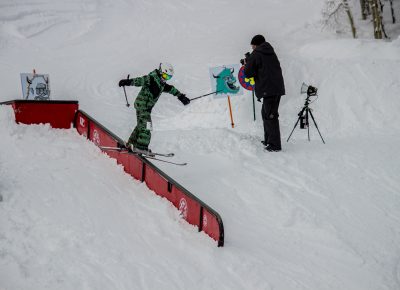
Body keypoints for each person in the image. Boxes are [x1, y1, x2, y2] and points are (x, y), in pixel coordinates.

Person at [118, 63, 190, 151]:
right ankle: (141, 147)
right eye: (164, 75)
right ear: (160, 72)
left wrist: (181, 96)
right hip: (143, 107)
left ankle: (132, 144)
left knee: (141, 126)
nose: (165, 78)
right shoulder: (151, 78)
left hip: (144, 108)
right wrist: (128, 82)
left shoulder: (161, 84)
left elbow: (171, 89)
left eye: (168, 77)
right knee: (147, 127)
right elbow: (140, 80)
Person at [244, 34, 285, 152]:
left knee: (270, 116)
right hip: (275, 89)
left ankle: (275, 145)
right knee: (266, 114)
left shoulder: (257, 53)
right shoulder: (270, 52)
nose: (252, 49)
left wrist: (247, 62)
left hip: (269, 90)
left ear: (256, 45)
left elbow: (248, 73)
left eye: (253, 47)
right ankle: (268, 140)